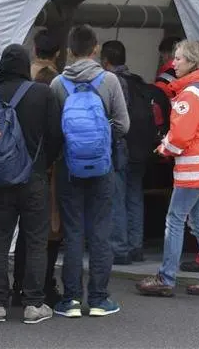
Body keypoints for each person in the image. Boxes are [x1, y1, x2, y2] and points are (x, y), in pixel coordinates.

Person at [50, 25, 129, 318]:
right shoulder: (109, 80)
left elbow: (54, 128)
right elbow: (124, 125)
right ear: (95, 48)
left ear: (70, 51)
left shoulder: (58, 83)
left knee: (73, 234)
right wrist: (102, 139)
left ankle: (70, 300)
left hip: (68, 168)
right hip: (102, 167)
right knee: (100, 233)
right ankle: (98, 299)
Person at [136, 40, 199, 297]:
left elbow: (180, 137)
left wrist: (163, 148)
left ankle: (166, 278)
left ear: (193, 63)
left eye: (179, 59)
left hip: (194, 170)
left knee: (175, 220)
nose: (173, 63)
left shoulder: (188, 95)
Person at [0, 44, 60, 325]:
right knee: (36, 241)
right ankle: (34, 304)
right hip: (34, 177)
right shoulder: (43, 93)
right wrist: (44, 163)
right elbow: (55, 136)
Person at [101, 40, 153, 264]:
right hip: (142, 147)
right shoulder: (138, 82)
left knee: (117, 197)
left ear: (105, 60)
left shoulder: (113, 82)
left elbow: (114, 117)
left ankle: (119, 249)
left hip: (122, 147)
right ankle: (136, 246)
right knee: (135, 196)